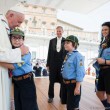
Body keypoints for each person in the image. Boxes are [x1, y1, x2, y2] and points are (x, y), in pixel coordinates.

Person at [0, 28, 39, 110]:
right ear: (10, 38)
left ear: (23, 40)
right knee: (18, 105)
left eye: (19, 38)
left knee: (29, 106)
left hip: (26, 81)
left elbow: (14, 66)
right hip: (17, 82)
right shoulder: (11, 51)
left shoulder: (25, 51)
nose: (17, 40)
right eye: (14, 37)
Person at [0, 6, 28, 110]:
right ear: (11, 15)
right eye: (19, 22)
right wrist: (19, 52)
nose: (19, 25)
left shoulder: (6, 27)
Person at [61, 35, 85, 110]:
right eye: (65, 43)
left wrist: (77, 87)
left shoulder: (78, 56)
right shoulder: (68, 55)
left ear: (74, 44)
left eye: (67, 43)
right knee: (68, 104)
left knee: (73, 106)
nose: (65, 44)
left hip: (73, 85)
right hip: (66, 83)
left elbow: (80, 72)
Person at [46, 26, 67, 103]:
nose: (58, 32)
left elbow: (67, 53)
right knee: (51, 81)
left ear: (62, 31)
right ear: (56, 31)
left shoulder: (66, 41)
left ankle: (62, 97)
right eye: (57, 31)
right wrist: (48, 64)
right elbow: (49, 53)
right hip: (53, 64)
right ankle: (50, 96)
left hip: (62, 64)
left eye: (60, 31)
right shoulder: (52, 41)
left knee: (62, 81)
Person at [95, 22, 110, 110]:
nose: (104, 31)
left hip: (109, 71)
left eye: (106, 29)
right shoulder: (103, 42)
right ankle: (107, 107)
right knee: (99, 93)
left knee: (109, 96)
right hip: (102, 71)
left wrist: (104, 61)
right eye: (103, 30)